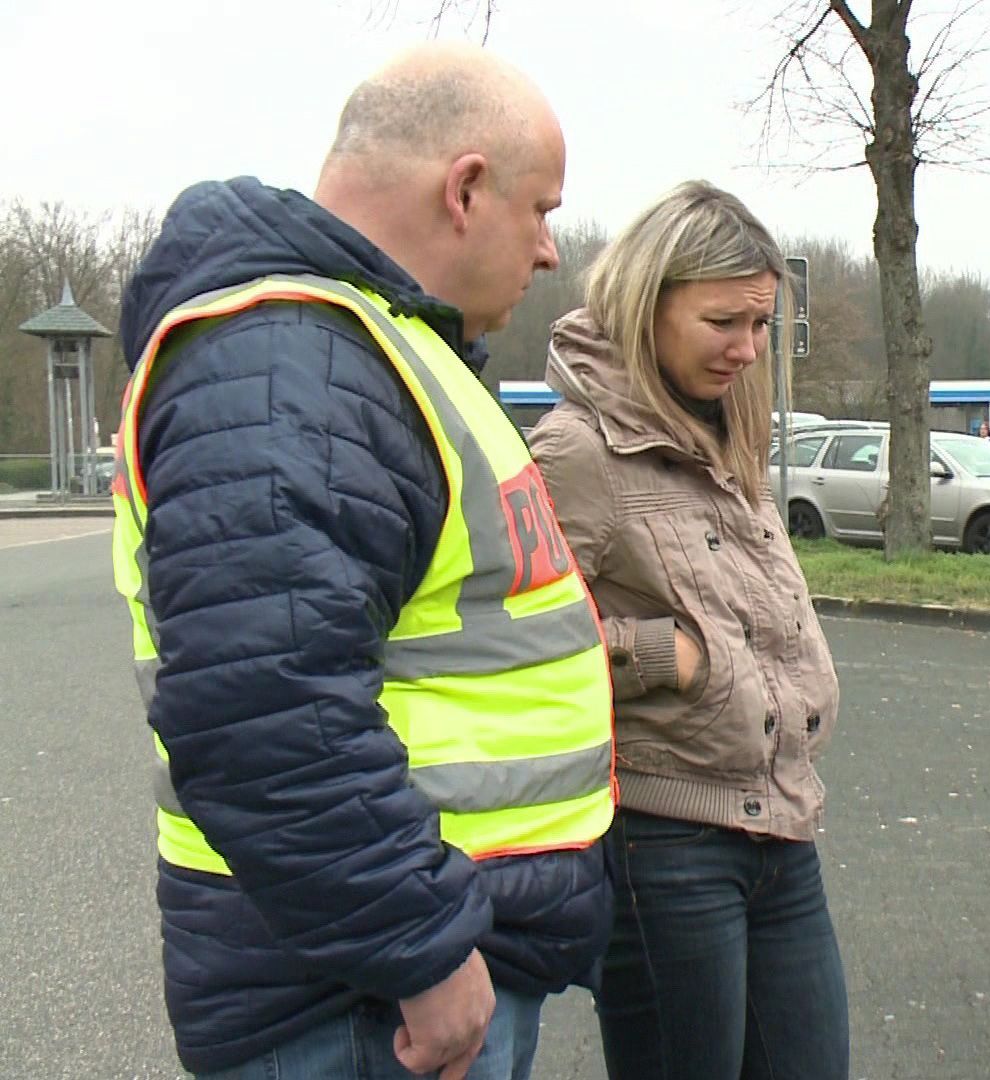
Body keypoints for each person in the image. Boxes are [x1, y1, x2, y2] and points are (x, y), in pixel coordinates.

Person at [110, 45, 613, 1080]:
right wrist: (419, 944)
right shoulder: (293, 363)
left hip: (386, 964)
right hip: (362, 1000)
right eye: (542, 208)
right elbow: (264, 703)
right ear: (466, 187)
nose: (552, 250)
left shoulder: (363, 352)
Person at [527, 180, 849, 1080]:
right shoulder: (577, 451)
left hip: (781, 824)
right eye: (724, 323)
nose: (749, 350)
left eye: (761, 325)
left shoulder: (727, 427)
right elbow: (512, 642)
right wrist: (659, 654)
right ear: (648, 302)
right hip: (664, 842)